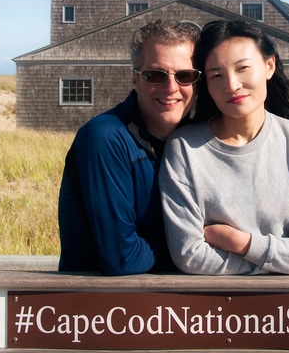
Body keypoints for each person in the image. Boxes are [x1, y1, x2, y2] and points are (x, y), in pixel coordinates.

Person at [159, 19, 289, 275]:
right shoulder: (185, 149)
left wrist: (240, 243)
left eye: (243, 68)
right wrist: (284, 263)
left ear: (269, 65)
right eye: (217, 75)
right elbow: (189, 255)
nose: (231, 85)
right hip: (207, 312)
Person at [58, 19, 202, 275]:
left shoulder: (199, 140)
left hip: (176, 309)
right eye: (155, 75)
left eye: (185, 76)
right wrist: (194, 247)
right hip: (100, 309)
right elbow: (123, 258)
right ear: (135, 78)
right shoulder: (104, 138)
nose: (171, 88)